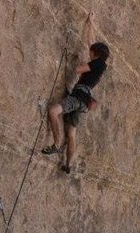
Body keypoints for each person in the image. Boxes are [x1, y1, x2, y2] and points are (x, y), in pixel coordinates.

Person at [41, 11, 110, 173]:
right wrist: (90, 22)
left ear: (96, 54)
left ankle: (57, 144)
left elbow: (79, 69)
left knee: (53, 111)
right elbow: (91, 43)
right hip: (84, 103)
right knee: (71, 133)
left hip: (78, 96)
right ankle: (68, 165)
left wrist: (79, 64)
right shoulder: (100, 62)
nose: (89, 52)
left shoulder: (97, 63)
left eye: (91, 52)